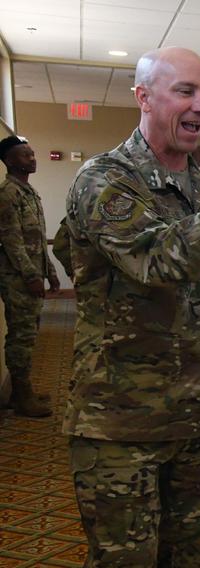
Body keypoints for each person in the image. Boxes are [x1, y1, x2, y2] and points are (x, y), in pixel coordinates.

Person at [63, 46, 200, 567]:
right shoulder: (106, 180)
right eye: (185, 91)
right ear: (144, 97)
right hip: (121, 430)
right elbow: (159, 262)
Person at [0, 135, 58, 417]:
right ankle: (22, 396)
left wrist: (50, 272)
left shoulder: (28, 191)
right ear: (9, 161)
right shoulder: (8, 194)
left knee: (30, 332)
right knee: (22, 335)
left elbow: (35, 238)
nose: (32, 158)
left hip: (32, 274)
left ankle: (23, 391)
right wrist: (31, 276)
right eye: (25, 155)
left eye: (32, 153)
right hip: (17, 278)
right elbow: (12, 241)